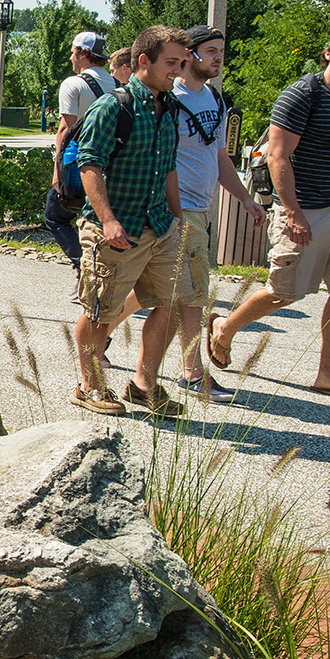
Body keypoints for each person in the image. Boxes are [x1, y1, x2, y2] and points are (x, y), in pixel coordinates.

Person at [208, 23, 330, 403]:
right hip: (302, 207)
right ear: (329, 52)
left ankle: (326, 374)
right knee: (284, 293)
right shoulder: (303, 94)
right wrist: (294, 212)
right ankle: (224, 326)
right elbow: (277, 155)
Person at [121, 24, 266, 404]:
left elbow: (220, 159)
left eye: (222, 51)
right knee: (191, 294)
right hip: (176, 211)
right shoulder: (169, 97)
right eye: (212, 51)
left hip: (203, 209)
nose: (219, 58)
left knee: (171, 291)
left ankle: (106, 334)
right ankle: (192, 374)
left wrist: (245, 199)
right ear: (191, 56)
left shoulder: (216, 101)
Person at [67, 24, 189, 418]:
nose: (178, 71)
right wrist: (108, 220)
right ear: (143, 61)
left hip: (159, 226)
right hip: (116, 229)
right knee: (100, 310)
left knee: (172, 303)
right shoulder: (113, 107)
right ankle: (88, 386)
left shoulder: (169, 107)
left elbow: (167, 167)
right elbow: (90, 164)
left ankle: (143, 385)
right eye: (171, 62)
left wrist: (177, 218)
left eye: (182, 63)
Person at [44, 30, 117, 272]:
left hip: (79, 164)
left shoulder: (73, 84)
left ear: (83, 54)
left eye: (73, 52)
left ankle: (84, 268)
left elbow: (66, 128)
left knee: (55, 216)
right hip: (110, 165)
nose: (70, 57)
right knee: (96, 219)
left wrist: (58, 170)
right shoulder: (117, 85)